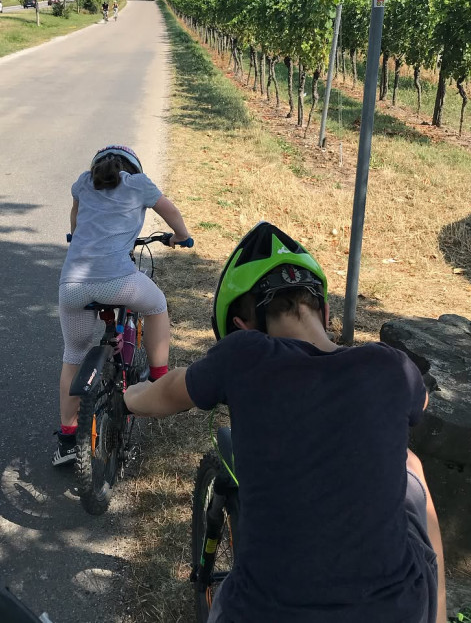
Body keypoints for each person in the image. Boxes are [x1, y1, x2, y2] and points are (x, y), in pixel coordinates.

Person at [124, 221, 448, 623]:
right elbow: (422, 401)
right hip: (396, 609)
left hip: (261, 612)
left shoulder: (243, 355)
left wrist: (128, 398)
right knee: (410, 462)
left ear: (242, 328)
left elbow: (166, 394)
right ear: (325, 311)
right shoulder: (390, 366)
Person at [53, 144, 192, 466]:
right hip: (118, 280)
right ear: (133, 168)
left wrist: (78, 237)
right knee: (156, 306)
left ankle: (66, 441)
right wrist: (181, 236)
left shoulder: (83, 182)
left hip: (72, 285)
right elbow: (169, 210)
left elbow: (76, 218)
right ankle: (159, 379)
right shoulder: (138, 184)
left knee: (73, 356)